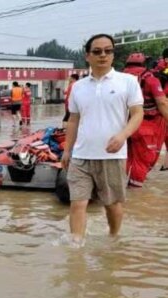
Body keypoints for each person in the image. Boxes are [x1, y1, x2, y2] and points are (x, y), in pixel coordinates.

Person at [61, 33, 144, 244]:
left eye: (108, 51)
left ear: (113, 55)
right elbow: (73, 120)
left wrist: (123, 135)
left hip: (112, 155)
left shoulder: (128, 82)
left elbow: (137, 114)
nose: (103, 55)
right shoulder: (78, 87)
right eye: (97, 51)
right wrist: (67, 150)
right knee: (78, 203)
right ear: (87, 56)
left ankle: (114, 238)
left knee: (112, 204)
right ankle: (76, 248)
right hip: (81, 155)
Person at [122, 52, 168, 186]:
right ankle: (134, 195)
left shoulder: (118, 78)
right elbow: (162, 103)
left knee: (127, 158)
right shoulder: (151, 79)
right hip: (145, 125)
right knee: (143, 160)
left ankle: (123, 187)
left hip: (121, 125)